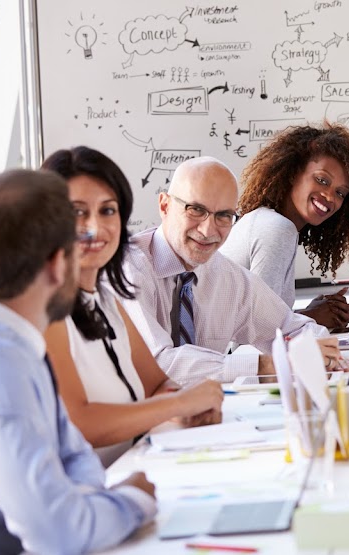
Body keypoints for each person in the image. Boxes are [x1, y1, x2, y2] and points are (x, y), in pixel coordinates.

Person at [0, 170, 156, 554]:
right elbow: (59, 531)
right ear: (57, 263)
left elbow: (75, 458)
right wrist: (133, 501)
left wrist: (94, 502)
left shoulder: (15, 343)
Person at [41, 147, 224, 466]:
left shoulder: (105, 297)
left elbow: (156, 383)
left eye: (107, 211)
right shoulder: (45, 310)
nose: (95, 228)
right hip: (89, 496)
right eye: (76, 212)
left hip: (134, 469)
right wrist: (179, 405)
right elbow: (79, 424)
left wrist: (186, 407)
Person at [122, 157, 341, 386]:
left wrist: (317, 350)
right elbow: (156, 363)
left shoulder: (226, 276)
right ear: (165, 206)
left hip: (207, 414)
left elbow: (293, 325)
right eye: (196, 210)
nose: (208, 230)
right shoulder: (128, 270)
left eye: (223, 216)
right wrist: (267, 365)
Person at [220, 123, 349, 331]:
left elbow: (257, 319)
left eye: (340, 193)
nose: (330, 197)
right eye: (322, 180)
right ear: (292, 172)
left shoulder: (270, 222)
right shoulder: (276, 228)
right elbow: (257, 331)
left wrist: (310, 313)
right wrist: (314, 317)